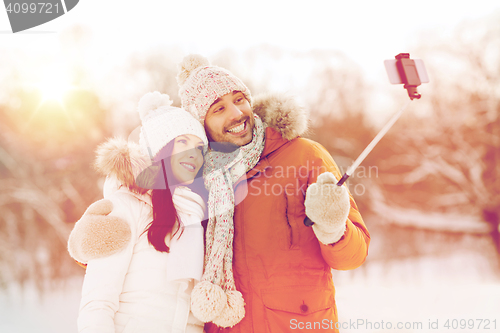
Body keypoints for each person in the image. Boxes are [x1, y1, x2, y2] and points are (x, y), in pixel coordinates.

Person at [176, 54, 370, 332]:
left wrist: (333, 228)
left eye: (239, 99)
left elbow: (355, 256)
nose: (236, 113)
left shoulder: (305, 156)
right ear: (200, 124)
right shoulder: (195, 180)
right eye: (218, 109)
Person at [67, 92, 208, 333]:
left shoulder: (197, 216)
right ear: (159, 149)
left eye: (199, 147)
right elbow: (98, 302)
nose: (193, 153)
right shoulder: (126, 207)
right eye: (182, 141)